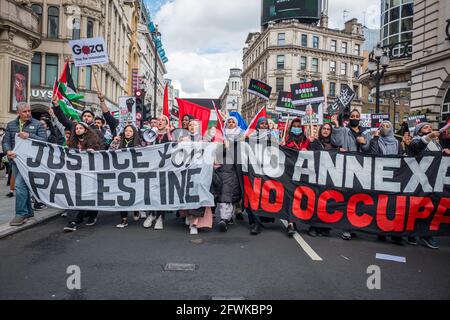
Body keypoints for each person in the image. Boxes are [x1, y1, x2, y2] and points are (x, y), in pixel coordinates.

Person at [406, 122, 449, 249]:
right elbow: (417, 147)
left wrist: (444, 152)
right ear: (419, 132)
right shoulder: (417, 140)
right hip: (419, 179)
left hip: (434, 179)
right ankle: (413, 233)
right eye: (426, 127)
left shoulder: (436, 142)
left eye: (431, 127)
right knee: (417, 206)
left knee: (430, 206)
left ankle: (424, 233)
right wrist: (429, 137)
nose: (429, 128)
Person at [2, 103, 47, 226]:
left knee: (19, 186)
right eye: (25, 111)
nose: (28, 113)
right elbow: (6, 141)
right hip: (16, 161)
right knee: (24, 186)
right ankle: (28, 212)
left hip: (30, 162)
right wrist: (8, 151)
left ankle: (20, 214)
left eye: (29, 111)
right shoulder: (11, 125)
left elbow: (44, 141)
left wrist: (29, 135)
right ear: (18, 113)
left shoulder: (37, 124)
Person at [331, 110, 372, 240]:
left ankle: (355, 225)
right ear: (349, 118)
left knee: (358, 198)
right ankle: (346, 228)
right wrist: (337, 126)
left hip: (361, 169)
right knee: (347, 198)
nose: (355, 118)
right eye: (352, 116)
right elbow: (336, 142)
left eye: (357, 116)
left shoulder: (366, 133)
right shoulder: (344, 130)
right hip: (347, 167)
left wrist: (364, 143)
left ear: (360, 118)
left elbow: (369, 148)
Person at [369, 120, 404, 245]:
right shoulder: (376, 141)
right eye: (382, 126)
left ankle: (395, 233)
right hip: (380, 176)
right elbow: (372, 154)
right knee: (381, 205)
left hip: (394, 177)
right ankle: (381, 232)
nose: (385, 128)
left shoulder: (397, 143)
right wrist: (375, 139)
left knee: (394, 206)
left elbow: (400, 157)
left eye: (387, 126)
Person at [63, 122, 103, 232]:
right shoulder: (72, 142)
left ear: (85, 130)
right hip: (76, 173)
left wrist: (94, 152)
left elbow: (101, 154)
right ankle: (72, 221)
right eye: (76, 128)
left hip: (90, 173)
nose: (78, 130)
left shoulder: (93, 141)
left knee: (91, 195)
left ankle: (92, 215)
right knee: (75, 195)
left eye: (81, 128)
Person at [178, 119, 214, 235]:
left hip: (200, 174)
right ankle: (188, 215)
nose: (192, 127)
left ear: (199, 127)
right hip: (187, 173)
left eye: (195, 125)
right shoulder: (183, 140)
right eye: (190, 125)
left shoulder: (204, 140)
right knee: (186, 195)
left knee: (198, 197)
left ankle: (195, 223)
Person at [307, 122, 340, 237]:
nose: (326, 131)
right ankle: (314, 226)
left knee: (327, 202)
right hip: (316, 176)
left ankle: (325, 227)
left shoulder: (335, 145)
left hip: (329, 177)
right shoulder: (315, 142)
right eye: (324, 129)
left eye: (328, 129)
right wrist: (310, 143)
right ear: (320, 130)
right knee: (316, 202)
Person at [246, 117, 276, 235]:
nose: (264, 125)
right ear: (257, 125)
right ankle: (256, 223)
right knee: (253, 196)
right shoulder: (250, 137)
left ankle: (263, 219)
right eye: (262, 123)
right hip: (253, 170)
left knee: (264, 197)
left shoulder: (272, 137)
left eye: (266, 124)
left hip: (268, 172)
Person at [143, 116, 172, 230]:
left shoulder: (169, 134)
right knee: (151, 190)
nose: (160, 122)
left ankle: (160, 217)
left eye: (163, 120)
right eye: (159, 120)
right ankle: (151, 214)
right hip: (152, 167)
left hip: (165, 167)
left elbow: (172, 146)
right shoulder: (152, 134)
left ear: (166, 123)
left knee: (162, 192)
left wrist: (169, 133)